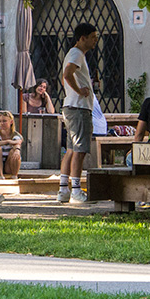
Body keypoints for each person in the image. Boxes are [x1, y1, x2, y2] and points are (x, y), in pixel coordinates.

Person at [59, 23, 99, 203]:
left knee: (70, 149)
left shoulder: (74, 54)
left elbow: (64, 78)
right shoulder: (76, 54)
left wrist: (70, 91)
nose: (95, 41)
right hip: (78, 108)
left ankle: (63, 189)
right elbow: (67, 74)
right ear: (82, 38)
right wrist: (79, 91)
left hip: (71, 106)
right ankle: (75, 189)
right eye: (93, 37)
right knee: (80, 149)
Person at [0, 111, 23, 180]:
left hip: (8, 165)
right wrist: (7, 141)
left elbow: (18, 143)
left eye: (4, 121)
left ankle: (14, 176)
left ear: (11, 122)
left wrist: (17, 150)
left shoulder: (16, 135)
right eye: (0, 121)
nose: (2, 123)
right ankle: (1, 176)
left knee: (15, 152)